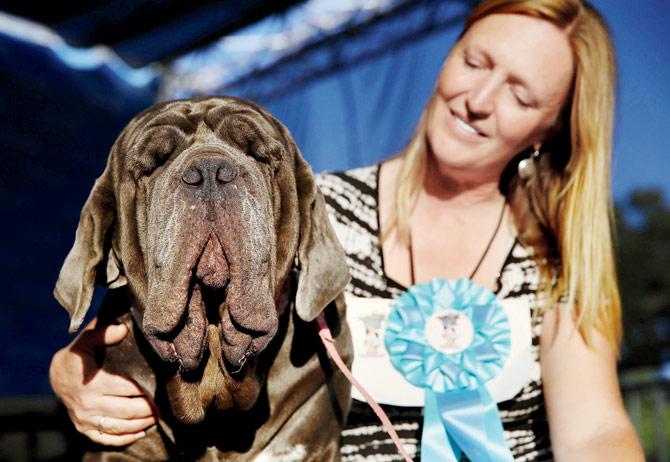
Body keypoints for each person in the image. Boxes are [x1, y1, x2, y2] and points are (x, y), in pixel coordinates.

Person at [50, 0, 645, 460]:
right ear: (451, 51)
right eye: (475, 61)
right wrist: (72, 372)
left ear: (548, 129)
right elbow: (149, 312)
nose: (479, 99)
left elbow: (593, 430)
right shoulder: (310, 207)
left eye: (519, 94)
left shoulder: (559, 255)